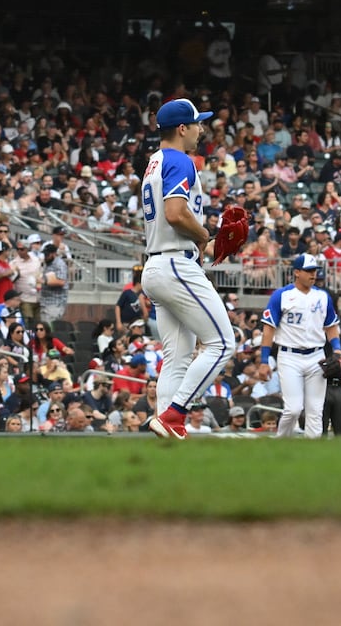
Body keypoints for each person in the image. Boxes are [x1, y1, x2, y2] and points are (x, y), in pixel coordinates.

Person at [141, 98, 237, 440]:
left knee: (178, 356)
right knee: (223, 343)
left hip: (156, 264)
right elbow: (176, 214)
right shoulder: (180, 160)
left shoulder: (154, 161)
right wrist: (204, 235)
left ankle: (165, 433)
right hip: (175, 263)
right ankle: (174, 415)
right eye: (197, 123)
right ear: (182, 128)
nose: (201, 129)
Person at [261, 253, 341, 439]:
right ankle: (281, 442)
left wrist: (338, 350)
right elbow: (268, 330)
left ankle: (313, 454)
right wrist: (264, 360)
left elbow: (331, 326)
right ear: (297, 272)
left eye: (314, 271)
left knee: (315, 410)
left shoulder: (323, 297)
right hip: (289, 356)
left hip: (316, 356)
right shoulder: (281, 295)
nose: (313, 274)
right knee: (293, 409)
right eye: (308, 271)